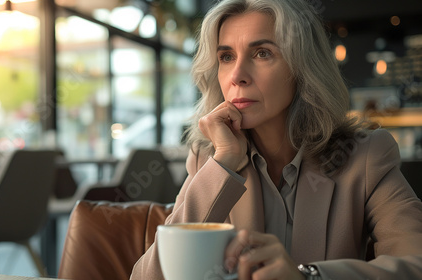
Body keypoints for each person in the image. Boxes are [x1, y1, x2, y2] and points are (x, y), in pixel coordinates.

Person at [130, 0, 422, 279]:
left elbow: (415, 265)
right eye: (226, 57)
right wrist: (224, 164)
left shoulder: (365, 156)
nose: (237, 76)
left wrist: (308, 277)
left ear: (302, 67)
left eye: (262, 53)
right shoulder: (209, 158)